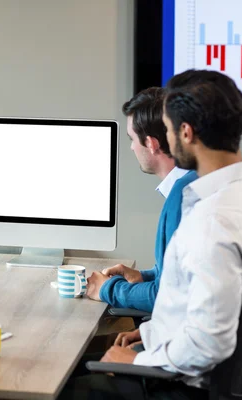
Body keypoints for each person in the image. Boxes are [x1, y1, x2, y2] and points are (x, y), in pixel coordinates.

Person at [61, 70, 242, 399]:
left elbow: (208, 342)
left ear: (185, 132)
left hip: (179, 386)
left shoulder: (211, 219)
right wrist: (152, 333)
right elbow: (201, 299)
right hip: (220, 377)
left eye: (169, 130)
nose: (166, 142)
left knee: (58, 381)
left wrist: (143, 357)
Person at [86, 87, 197, 312]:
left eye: (132, 139)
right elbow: (179, 276)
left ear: (151, 144)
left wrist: (108, 289)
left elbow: (165, 295)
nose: (131, 147)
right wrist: (142, 276)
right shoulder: (198, 181)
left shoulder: (183, 197)